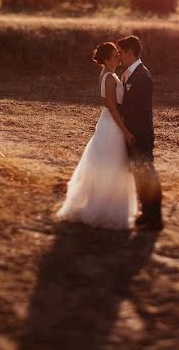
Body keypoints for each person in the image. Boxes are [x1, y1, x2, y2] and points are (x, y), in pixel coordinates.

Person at [56, 42, 137, 229]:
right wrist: (124, 130)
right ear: (107, 59)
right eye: (115, 55)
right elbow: (111, 106)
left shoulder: (111, 75)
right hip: (112, 125)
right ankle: (103, 208)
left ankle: (109, 203)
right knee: (112, 164)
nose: (119, 56)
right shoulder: (109, 77)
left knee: (108, 164)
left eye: (118, 54)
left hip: (109, 123)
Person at [117, 35, 163, 231]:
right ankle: (146, 213)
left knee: (147, 174)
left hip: (141, 134)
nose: (119, 56)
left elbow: (133, 107)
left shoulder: (142, 76)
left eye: (121, 52)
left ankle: (155, 218)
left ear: (130, 53)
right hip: (133, 133)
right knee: (139, 174)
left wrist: (114, 110)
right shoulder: (130, 74)